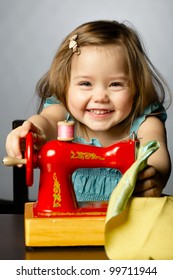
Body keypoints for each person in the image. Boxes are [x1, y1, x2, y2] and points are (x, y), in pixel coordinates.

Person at [6, 20, 171, 201]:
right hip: (67, 227)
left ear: (136, 87)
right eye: (85, 84)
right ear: (65, 86)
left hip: (128, 226)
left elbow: (157, 155)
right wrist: (30, 133)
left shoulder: (146, 122)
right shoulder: (62, 114)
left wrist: (154, 177)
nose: (100, 97)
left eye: (115, 84)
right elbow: (46, 122)